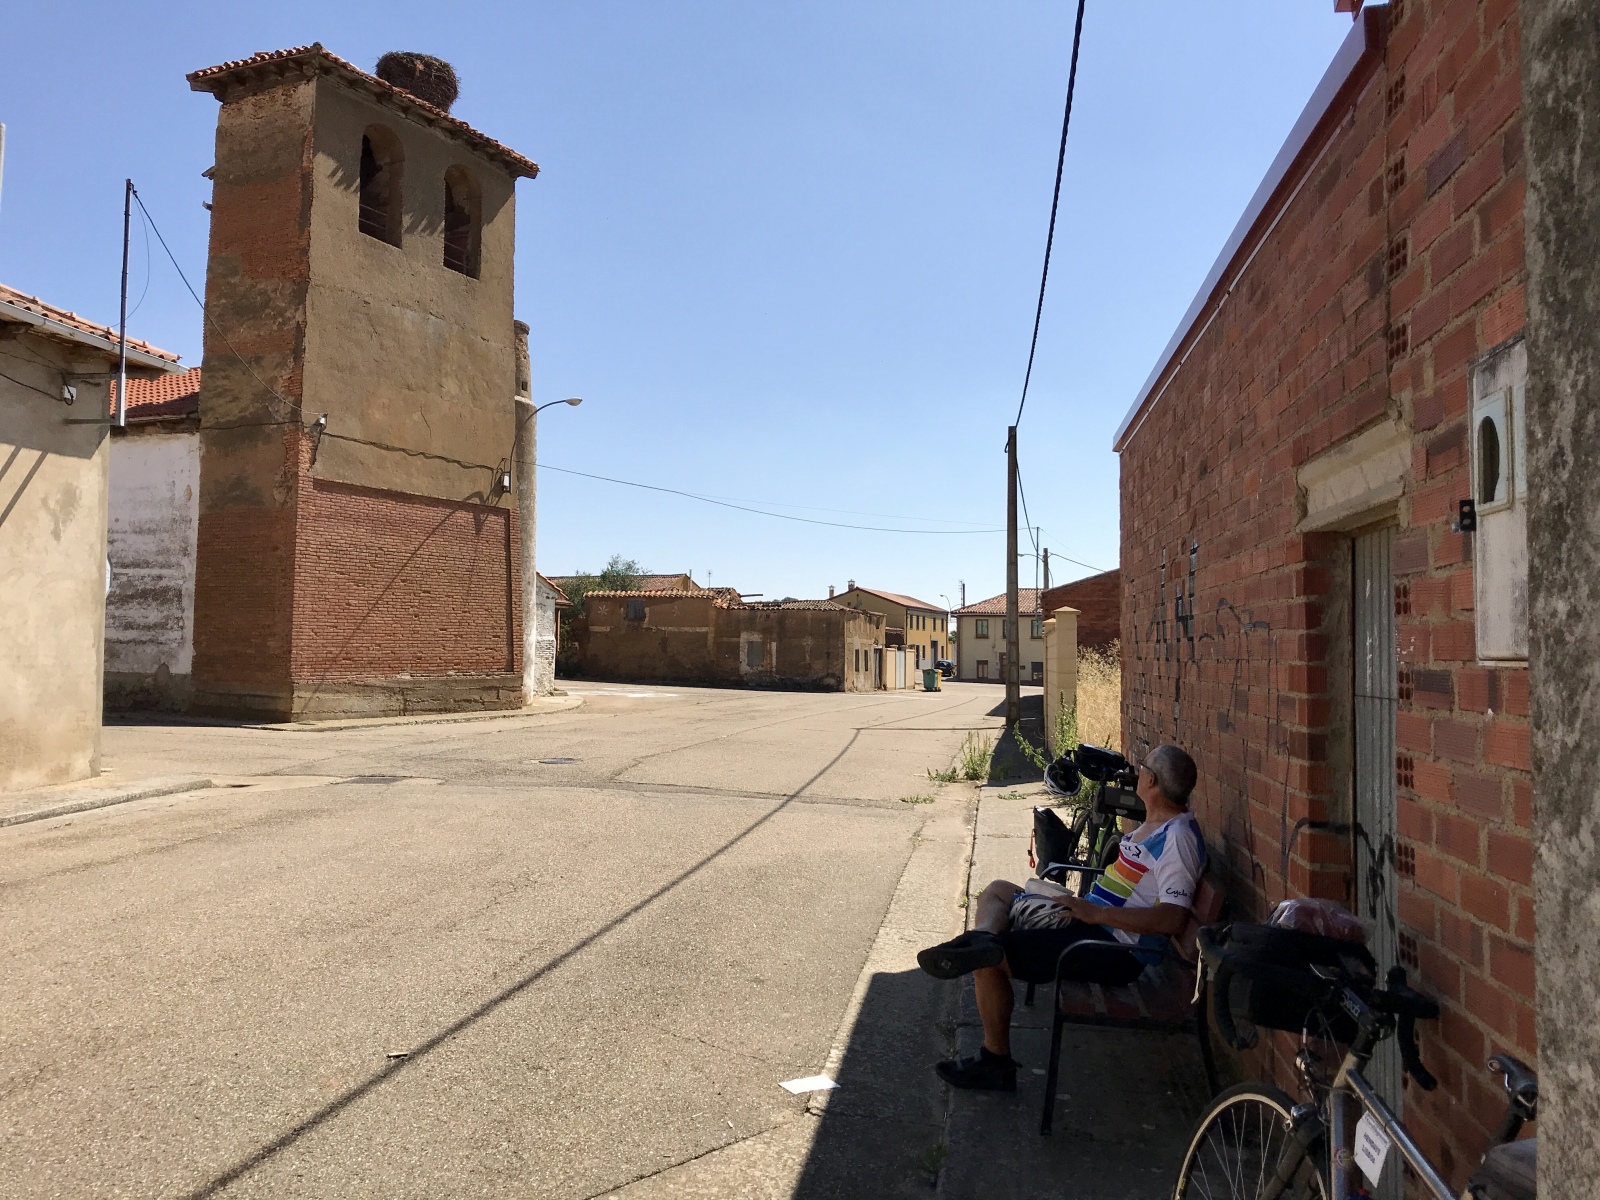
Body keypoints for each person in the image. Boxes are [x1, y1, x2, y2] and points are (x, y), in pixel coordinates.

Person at [916, 743, 1205, 1090]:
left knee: (991, 961)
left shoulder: (1177, 839)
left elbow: (1172, 919)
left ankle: (995, 1061)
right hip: (1091, 923)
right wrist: (1087, 909)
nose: (1137, 772)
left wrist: (1096, 913)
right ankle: (980, 938)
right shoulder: (1158, 825)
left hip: (1115, 950)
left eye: (1142, 767)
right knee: (998, 891)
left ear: (1152, 781)